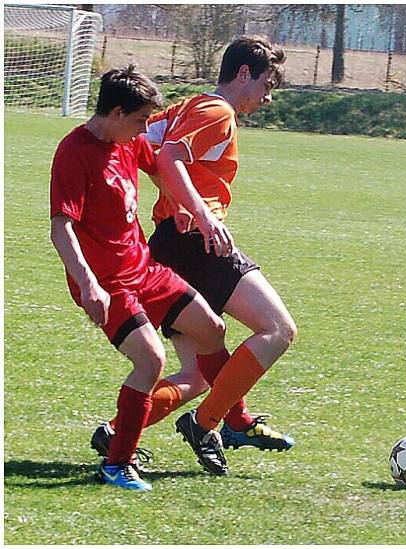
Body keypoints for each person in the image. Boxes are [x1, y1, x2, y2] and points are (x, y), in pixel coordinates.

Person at [92, 36, 297, 475]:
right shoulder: (217, 111)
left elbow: (142, 144)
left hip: (167, 244)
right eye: (266, 84)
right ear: (244, 73)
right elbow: (169, 157)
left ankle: (118, 431)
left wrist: (175, 203)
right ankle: (210, 424)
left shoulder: (186, 106)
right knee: (278, 329)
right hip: (197, 244)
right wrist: (201, 214)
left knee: (200, 374)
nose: (267, 96)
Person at [50, 66, 230, 491]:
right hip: (106, 282)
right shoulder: (75, 152)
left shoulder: (128, 142)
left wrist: (179, 203)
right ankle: (117, 463)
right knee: (151, 360)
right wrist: (88, 284)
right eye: (138, 121)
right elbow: (62, 228)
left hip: (144, 269)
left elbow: (160, 167)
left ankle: (232, 420)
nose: (143, 130)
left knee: (212, 329)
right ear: (114, 112)